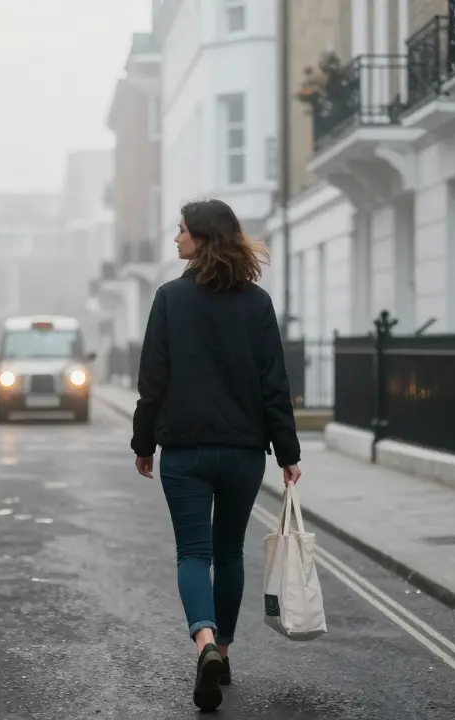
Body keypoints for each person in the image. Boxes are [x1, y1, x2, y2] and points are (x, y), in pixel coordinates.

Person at [131, 198, 302, 712]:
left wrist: (144, 444)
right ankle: (223, 652)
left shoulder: (170, 299)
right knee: (229, 553)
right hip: (244, 452)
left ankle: (203, 643)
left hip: (185, 451)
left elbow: (151, 382)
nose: (175, 239)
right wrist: (288, 452)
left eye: (181, 231)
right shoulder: (257, 304)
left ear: (203, 238)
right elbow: (275, 385)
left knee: (193, 553)